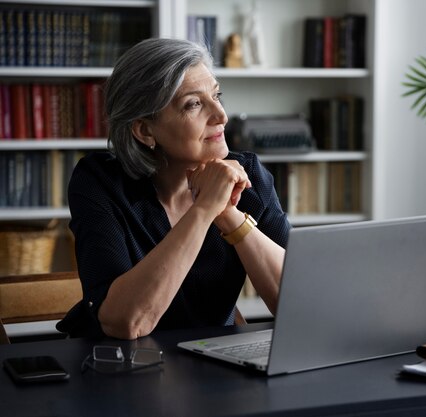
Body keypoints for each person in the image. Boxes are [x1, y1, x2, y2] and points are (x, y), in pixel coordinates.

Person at [57, 38, 291, 340]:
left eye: (217, 95)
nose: (221, 115)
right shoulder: (100, 181)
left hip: (213, 368)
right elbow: (126, 323)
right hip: (113, 368)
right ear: (145, 130)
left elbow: (297, 304)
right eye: (193, 104)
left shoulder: (249, 176)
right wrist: (204, 209)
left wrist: (230, 216)